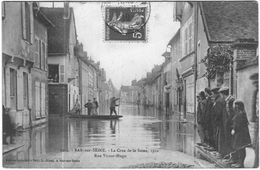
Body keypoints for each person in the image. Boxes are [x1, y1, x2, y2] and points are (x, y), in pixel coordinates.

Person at [230, 99, 251, 168]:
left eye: (236, 105)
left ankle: (241, 163)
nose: (235, 107)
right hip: (239, 134)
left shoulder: (241, 114)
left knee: (241, 148)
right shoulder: (240, 113)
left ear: (239, 106)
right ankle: (239, 162)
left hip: (241, 135)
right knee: (239, 148)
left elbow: (239, 125)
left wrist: (234, 129)